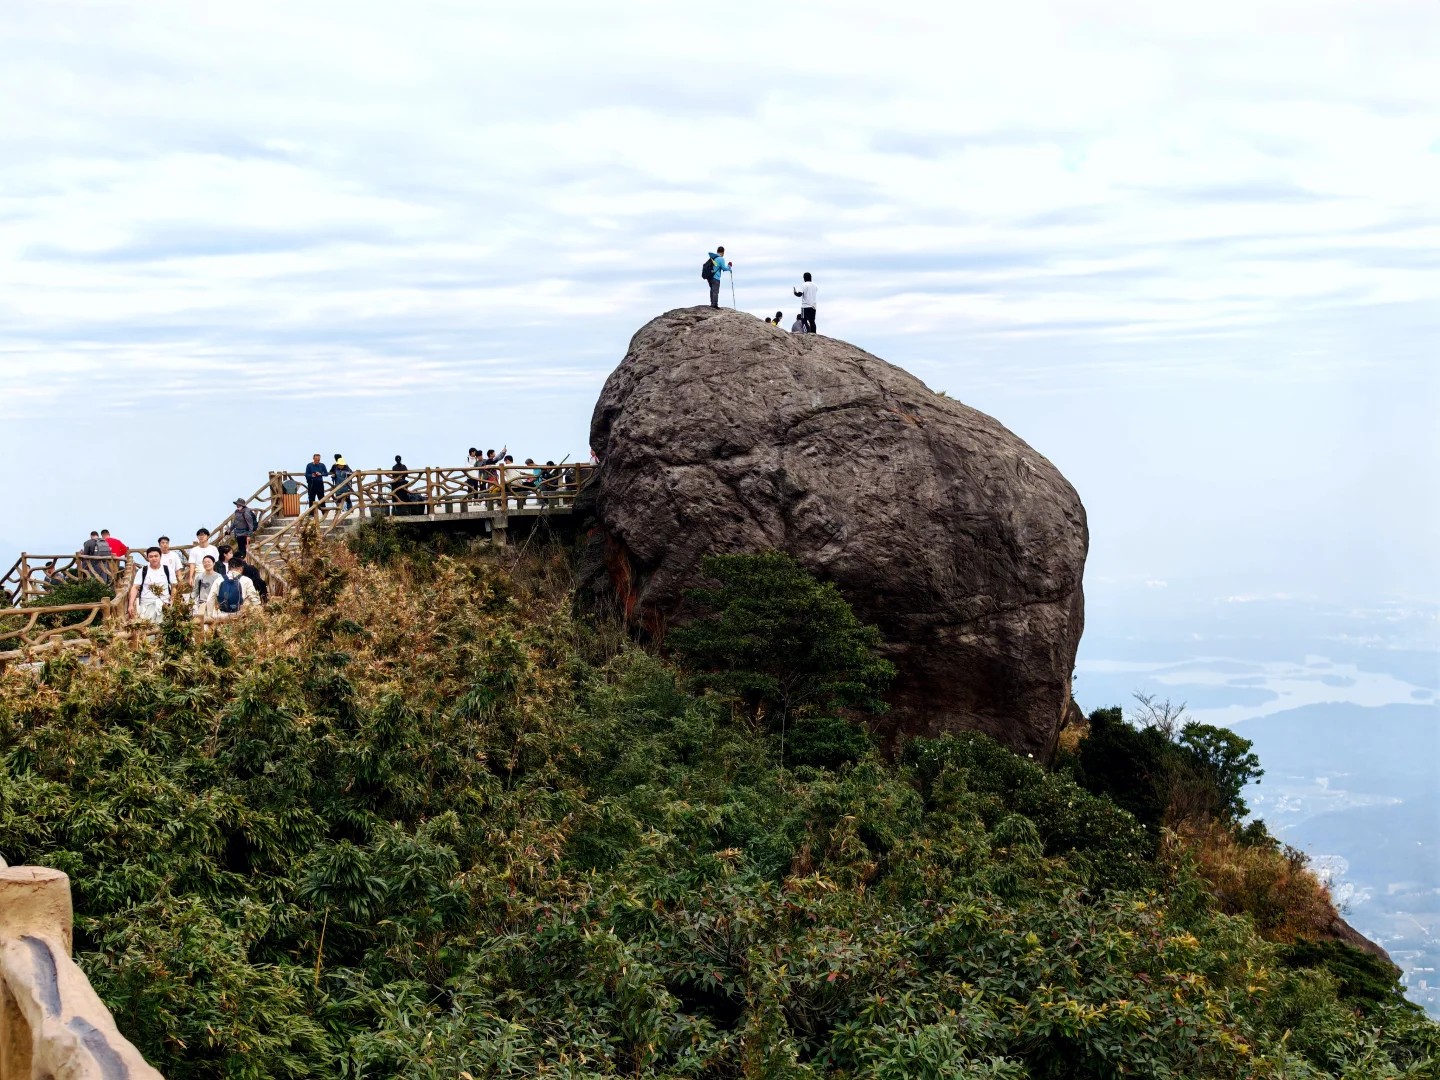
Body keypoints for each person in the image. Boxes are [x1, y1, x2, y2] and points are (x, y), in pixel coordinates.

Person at [128, 546, 174, 625]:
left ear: (160, 556)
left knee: (164, 630)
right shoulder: (143, 571)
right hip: (146, 605)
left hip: (164, 604)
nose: (154, 558)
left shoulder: (167, 570)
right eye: (151, 556)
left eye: (156, 556)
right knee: (148, 631)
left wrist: (172, 600)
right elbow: (135, 587)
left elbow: (174, 586)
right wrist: (131, 604)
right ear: (147, 558)